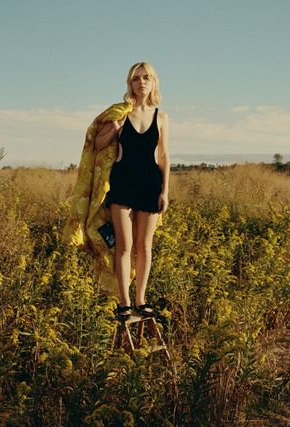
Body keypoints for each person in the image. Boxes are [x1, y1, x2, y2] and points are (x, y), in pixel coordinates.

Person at [94, 61, 170, 321]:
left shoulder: (161, 116)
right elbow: (96, 143)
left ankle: (141, 300)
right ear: (130, 83)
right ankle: (125, 303)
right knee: (124, 246)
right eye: (136, 78)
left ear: (153, 82)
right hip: (123, 182)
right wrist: (114, 130)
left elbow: (164, 157)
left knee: (145, 246)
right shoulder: (121, 112)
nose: (141, 82)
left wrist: (165, 191)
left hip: (150, 184)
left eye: (146, 77)